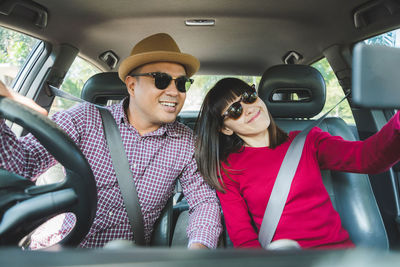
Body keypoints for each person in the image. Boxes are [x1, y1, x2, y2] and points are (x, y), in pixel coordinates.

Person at [0, 33, 222, 249]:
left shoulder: (187, 143)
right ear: (132, 85)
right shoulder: (83, 119)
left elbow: (204, 202)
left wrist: (197, 252)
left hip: (122, 258)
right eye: (162, 80)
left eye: (182, 83)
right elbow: (22, 165)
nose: (174, 92)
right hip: (61, 250)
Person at [194, 77, 400, 249]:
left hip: (338, 256)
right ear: (225, 128)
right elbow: (243, 237)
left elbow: (368, 158)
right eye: (235, 110)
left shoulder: (309, 141)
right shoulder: (229, 168)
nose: (248, 108)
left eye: (249, 97)